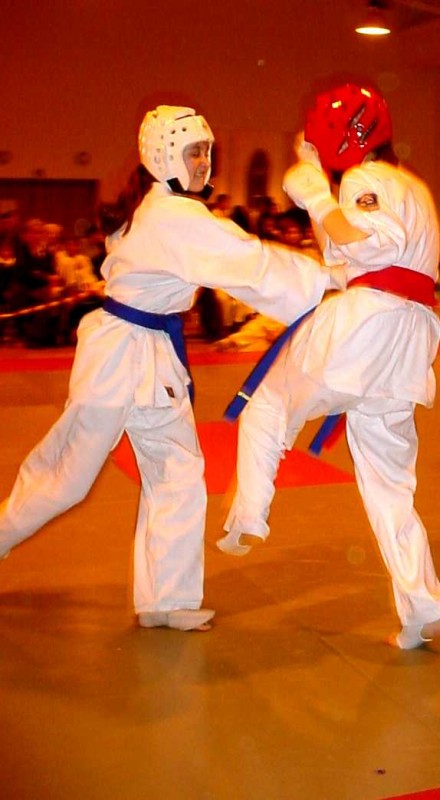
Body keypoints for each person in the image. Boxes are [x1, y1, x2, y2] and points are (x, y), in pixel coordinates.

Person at [0, 105, 338, 631]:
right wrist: (326, 281)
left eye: (206, 152)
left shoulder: (163, 209)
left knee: (177, 471)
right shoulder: (172, 216)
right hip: (118, 356)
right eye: (193, 152)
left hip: (154, 355)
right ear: (163, 156)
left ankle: (167, 598)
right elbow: (249, 261)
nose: (203, 162)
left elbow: (235, 254)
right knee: (66, 476)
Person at [218, 83, 440, 649]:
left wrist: (320, 195)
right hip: (408, 340)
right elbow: (342, 251)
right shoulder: (412, 187)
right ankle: (422, 603)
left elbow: (372, 244)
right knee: (389, 485)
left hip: (367, 323)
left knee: (268, 404)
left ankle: (248, 514)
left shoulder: (364, 179)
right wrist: (317, 193)